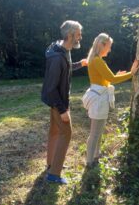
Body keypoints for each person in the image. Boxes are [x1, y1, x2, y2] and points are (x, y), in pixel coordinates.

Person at [82, 33, 139, 167]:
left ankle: (95, 157)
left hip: (98, 97)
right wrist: (131, 73)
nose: (110, 49)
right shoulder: (97, 60)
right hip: (98, 100)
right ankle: (90, 162)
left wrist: (117, 76)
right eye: (109, 46)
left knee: (97, 132)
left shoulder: (95, 59)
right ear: (102, 45)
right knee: (95, 133)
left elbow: (104, 79)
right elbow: (112, 79)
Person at [41, 20, 87, 184]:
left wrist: (79, 64)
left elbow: (66, 67)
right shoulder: (57, 58)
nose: (80, 37)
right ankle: (54, 174)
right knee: (66, 133)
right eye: (78, 34)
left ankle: (51, 163)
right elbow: (52, 88)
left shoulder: (62, 50)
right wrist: (62, 110)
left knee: (54, 131)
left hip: (57, 100)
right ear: (70, 35)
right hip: (57, 101)